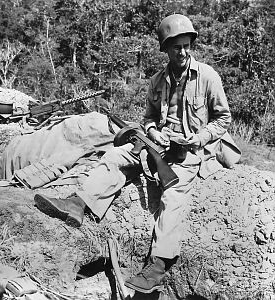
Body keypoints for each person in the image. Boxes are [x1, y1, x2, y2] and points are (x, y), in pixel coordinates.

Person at [34, 14, 240, 294]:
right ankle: (78, 205)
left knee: (173, 195)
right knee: (116, 157)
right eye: (176, 46)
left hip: (188, 150)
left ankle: (157, 265)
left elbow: (223, 118)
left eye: (186, 45)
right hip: (159, 144)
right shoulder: (157, 80)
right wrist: (153, 130)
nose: (183, 51)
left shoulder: (207, 77)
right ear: (166, 48)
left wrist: (199, 138)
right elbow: (150, 116)